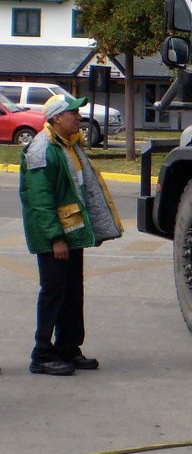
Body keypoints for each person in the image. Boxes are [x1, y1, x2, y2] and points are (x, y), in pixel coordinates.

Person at [20, 93, 123, 376]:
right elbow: (41, 201)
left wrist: (93, 230)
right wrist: (56, 238)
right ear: (56, 118)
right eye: (73, 113)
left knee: (72, 293)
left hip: (71, 234)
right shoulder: (42, 150)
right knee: (54, 292)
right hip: (54, 238)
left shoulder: (69, 145)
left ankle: (67, 348)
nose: (79, 117)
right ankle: (41, 354)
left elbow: (84, 191)